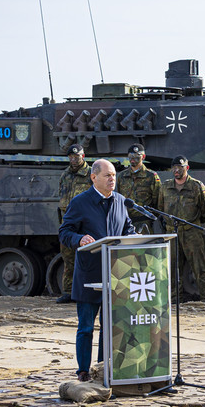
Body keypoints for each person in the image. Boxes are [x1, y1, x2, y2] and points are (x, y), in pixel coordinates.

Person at [58, 159, 136, 382]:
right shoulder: (80, 202)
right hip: (89, 274)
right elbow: (64, 232)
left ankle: (103, 368)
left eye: (114, 175)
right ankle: (83, 370)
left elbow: (127, 228)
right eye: (107, 175)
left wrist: (133, 238)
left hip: (115, 274)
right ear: (94, 177)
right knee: (86, 327)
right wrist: (79, 238)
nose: (113, 179)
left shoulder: (121, 201)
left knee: (109, 327)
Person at [159, 155, 205, 299]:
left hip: (191, 232)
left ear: (186, 168)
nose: (176, 170)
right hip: (172, 232)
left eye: (180, 168)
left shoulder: (196, 186)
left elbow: (204, 210)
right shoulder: (165, 187)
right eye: (174, 168)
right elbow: (160, 208)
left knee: (200, 267)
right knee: (172, 268)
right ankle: (175, 299)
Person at [56, 144, 93, 303]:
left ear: (83, 156)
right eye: (71, 157)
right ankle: (69, 292)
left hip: (85, 222)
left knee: (88, 258)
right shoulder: (65, 175)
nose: (73, 159)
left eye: (76, 157)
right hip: (68, 221)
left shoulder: (91, 173)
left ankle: (87, 291)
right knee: (68, 257)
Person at [116, 143, 161, 233]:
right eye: (130, 156)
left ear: (143, 157)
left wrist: (150, 217)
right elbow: (119, 198)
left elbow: (158, 200)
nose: (133, 159)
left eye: (137, 156)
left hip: (144, 222)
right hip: (126, 222)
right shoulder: (122, 176)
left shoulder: (151, 176)